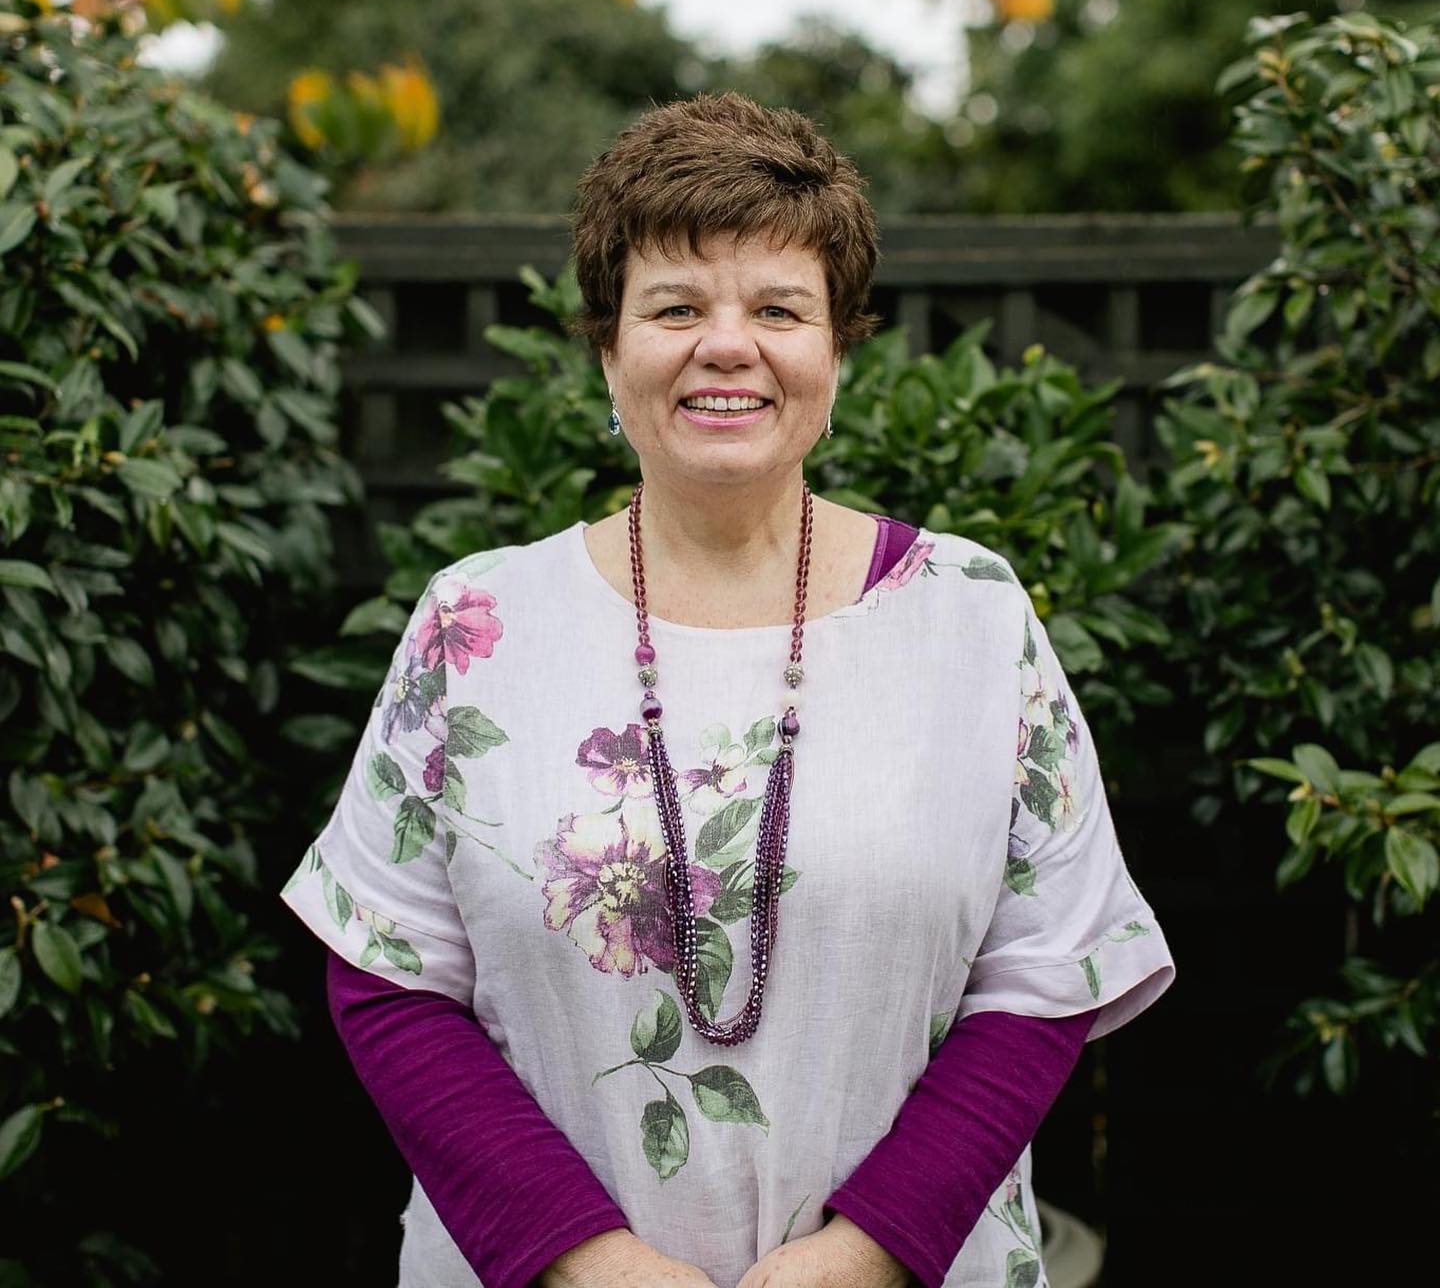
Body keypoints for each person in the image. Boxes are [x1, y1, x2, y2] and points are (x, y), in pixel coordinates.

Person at [279, 91, 1176, 1288]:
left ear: (835, 349)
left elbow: (1048, 972)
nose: (727, 343)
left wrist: (863, 1258)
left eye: (778, 308)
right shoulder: (475, 626)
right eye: (676, 306)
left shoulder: (971, 615)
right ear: (609, 346)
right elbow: (388, 978)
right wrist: (585, 1261)